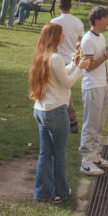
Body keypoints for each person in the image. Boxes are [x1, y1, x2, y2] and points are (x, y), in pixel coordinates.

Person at [29, 22, 83, 203]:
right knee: (59, 154)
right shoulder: (56, 58)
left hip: (40, 110)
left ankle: (42, 193)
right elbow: (67, 83)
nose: (64, 37)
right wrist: (81, 68)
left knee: (45, 153)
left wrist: (74, 64)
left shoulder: (41, 56)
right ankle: (61, 192)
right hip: (56, 111)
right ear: (55, 37)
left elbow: (61, 75)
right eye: (61, 34)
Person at [79, 6, 108, 176]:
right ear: (97, 20)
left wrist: (107, 83)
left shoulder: (101, 37)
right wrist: (106, 55)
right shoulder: (88, 39)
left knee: (99, 125)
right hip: (92, 87)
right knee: (91, 125)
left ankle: (95, 156)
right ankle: (86, 162)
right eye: (105, 18)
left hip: (102, 86)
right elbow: (89, 66)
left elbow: (102, 62)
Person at [51, 0, 85, 134]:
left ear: (59, 7)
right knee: (63, 90)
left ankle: (71, 120)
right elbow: (80, 43)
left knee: (65, 90)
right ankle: (68, 120)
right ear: (70, 6)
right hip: (72, 59)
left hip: (59, 59)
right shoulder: (78, 23)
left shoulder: (54, 21)